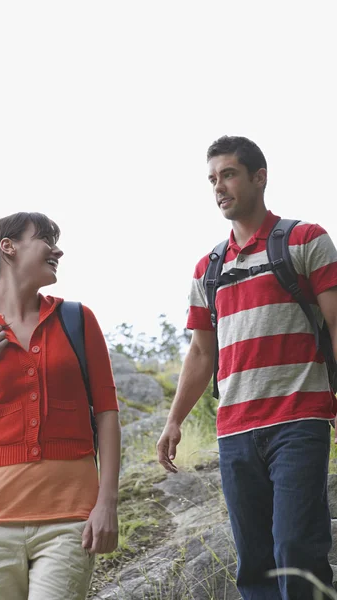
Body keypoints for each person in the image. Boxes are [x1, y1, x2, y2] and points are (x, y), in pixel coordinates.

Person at [157, 136, 337, 600]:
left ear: (260, 177)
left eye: (230, 174)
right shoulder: (208, 269)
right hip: (235, 430)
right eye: (213, 179)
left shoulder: (305, 240)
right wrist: (174, 419)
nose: (220, 187)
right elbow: (201, 353)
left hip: (299, 419)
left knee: (296, 549)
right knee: (254, 562)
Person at [0, 211, 121, 600]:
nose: (57, 249)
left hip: (69, 520)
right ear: (8, 248)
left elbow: (107, 415)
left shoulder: (77, 319)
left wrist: (107, 502)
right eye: (45, 238)